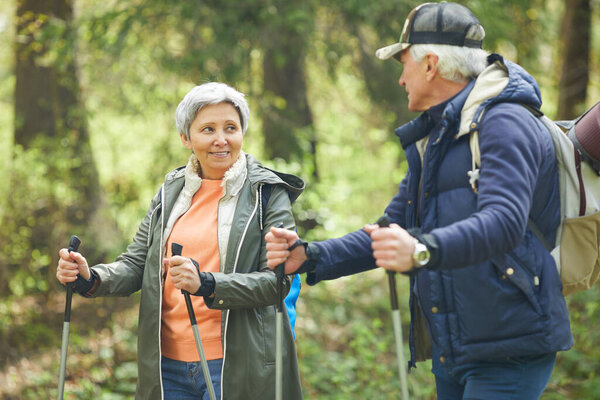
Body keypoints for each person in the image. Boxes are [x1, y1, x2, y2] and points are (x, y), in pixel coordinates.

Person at [265, 2, 573, 399]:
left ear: (430, 64)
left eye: (403, 63)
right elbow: (393, 228)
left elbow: (504, 223)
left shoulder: (505, 122)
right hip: (455, 345)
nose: (400, 79)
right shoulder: (438, 134)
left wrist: (422, 250)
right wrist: (311, 256)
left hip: (509, 347)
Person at [56, 82, 304, 400]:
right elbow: (137, 263)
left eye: (231, 127)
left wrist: (208, 283)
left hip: (237, 363)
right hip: (166, 367)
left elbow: (276, 282)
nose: (221, 139)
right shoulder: (171, 192)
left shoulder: (267, 194)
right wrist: (91, 277)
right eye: (207, 129)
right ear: (186, 138)